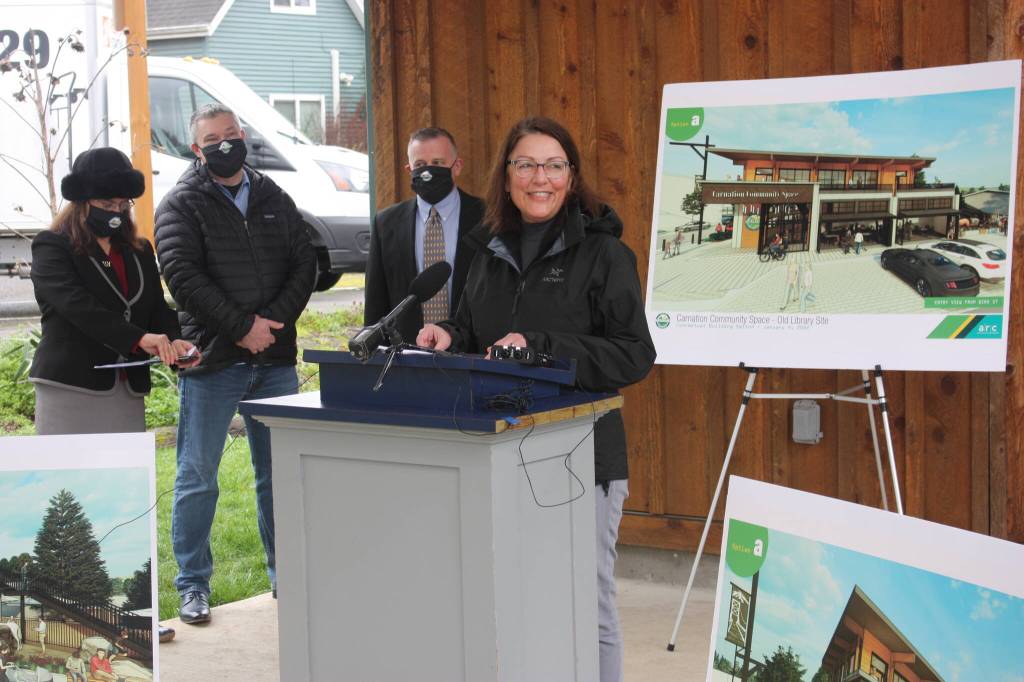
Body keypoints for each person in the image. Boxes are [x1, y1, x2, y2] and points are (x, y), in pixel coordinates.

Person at [416, 116, 656, 682]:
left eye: (553, 165)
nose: (539, 178)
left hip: (582, 458)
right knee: (512, 599)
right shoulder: (485, 250)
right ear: (506, 177)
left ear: (571, 178)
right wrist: (449, 333)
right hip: (496, 455)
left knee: (584, 601)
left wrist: (541, 346)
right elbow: (478, 332)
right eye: (525, 165)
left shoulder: (605, 256)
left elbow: (633, 355)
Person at [155, 103, 317, 625]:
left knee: (278, 475)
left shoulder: (273, 195)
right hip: (214, 362)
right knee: (197, 475)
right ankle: (193, 585)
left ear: (242, 136)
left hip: (274, 360)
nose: (225, 145)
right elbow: (183, 277)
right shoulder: (181, 204)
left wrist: (270, 322)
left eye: (232, 135)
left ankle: (284, 576)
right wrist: (240, 327)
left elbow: (304, 262)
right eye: (213, 139)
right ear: (196, 149)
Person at [28, 147, 199, 435]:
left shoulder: (139, 250)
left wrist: (176, 341)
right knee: (68, 478)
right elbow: (77, 307)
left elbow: (155, 308)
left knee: (123, 478)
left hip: (126, 388)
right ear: (81, 202)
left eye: (123, 204)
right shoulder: (52, 246)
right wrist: (139, 338)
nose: (116, 212)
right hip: (71, 385)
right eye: (107, 204)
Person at [364, 128, 484, 342]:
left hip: (471, 354)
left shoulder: (487, 219)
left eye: (437, 163)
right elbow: (376, 302)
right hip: (406, 357)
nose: (428, 172)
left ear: (457, 166)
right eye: (420, 165)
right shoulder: (386, 224)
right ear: (409, 169)